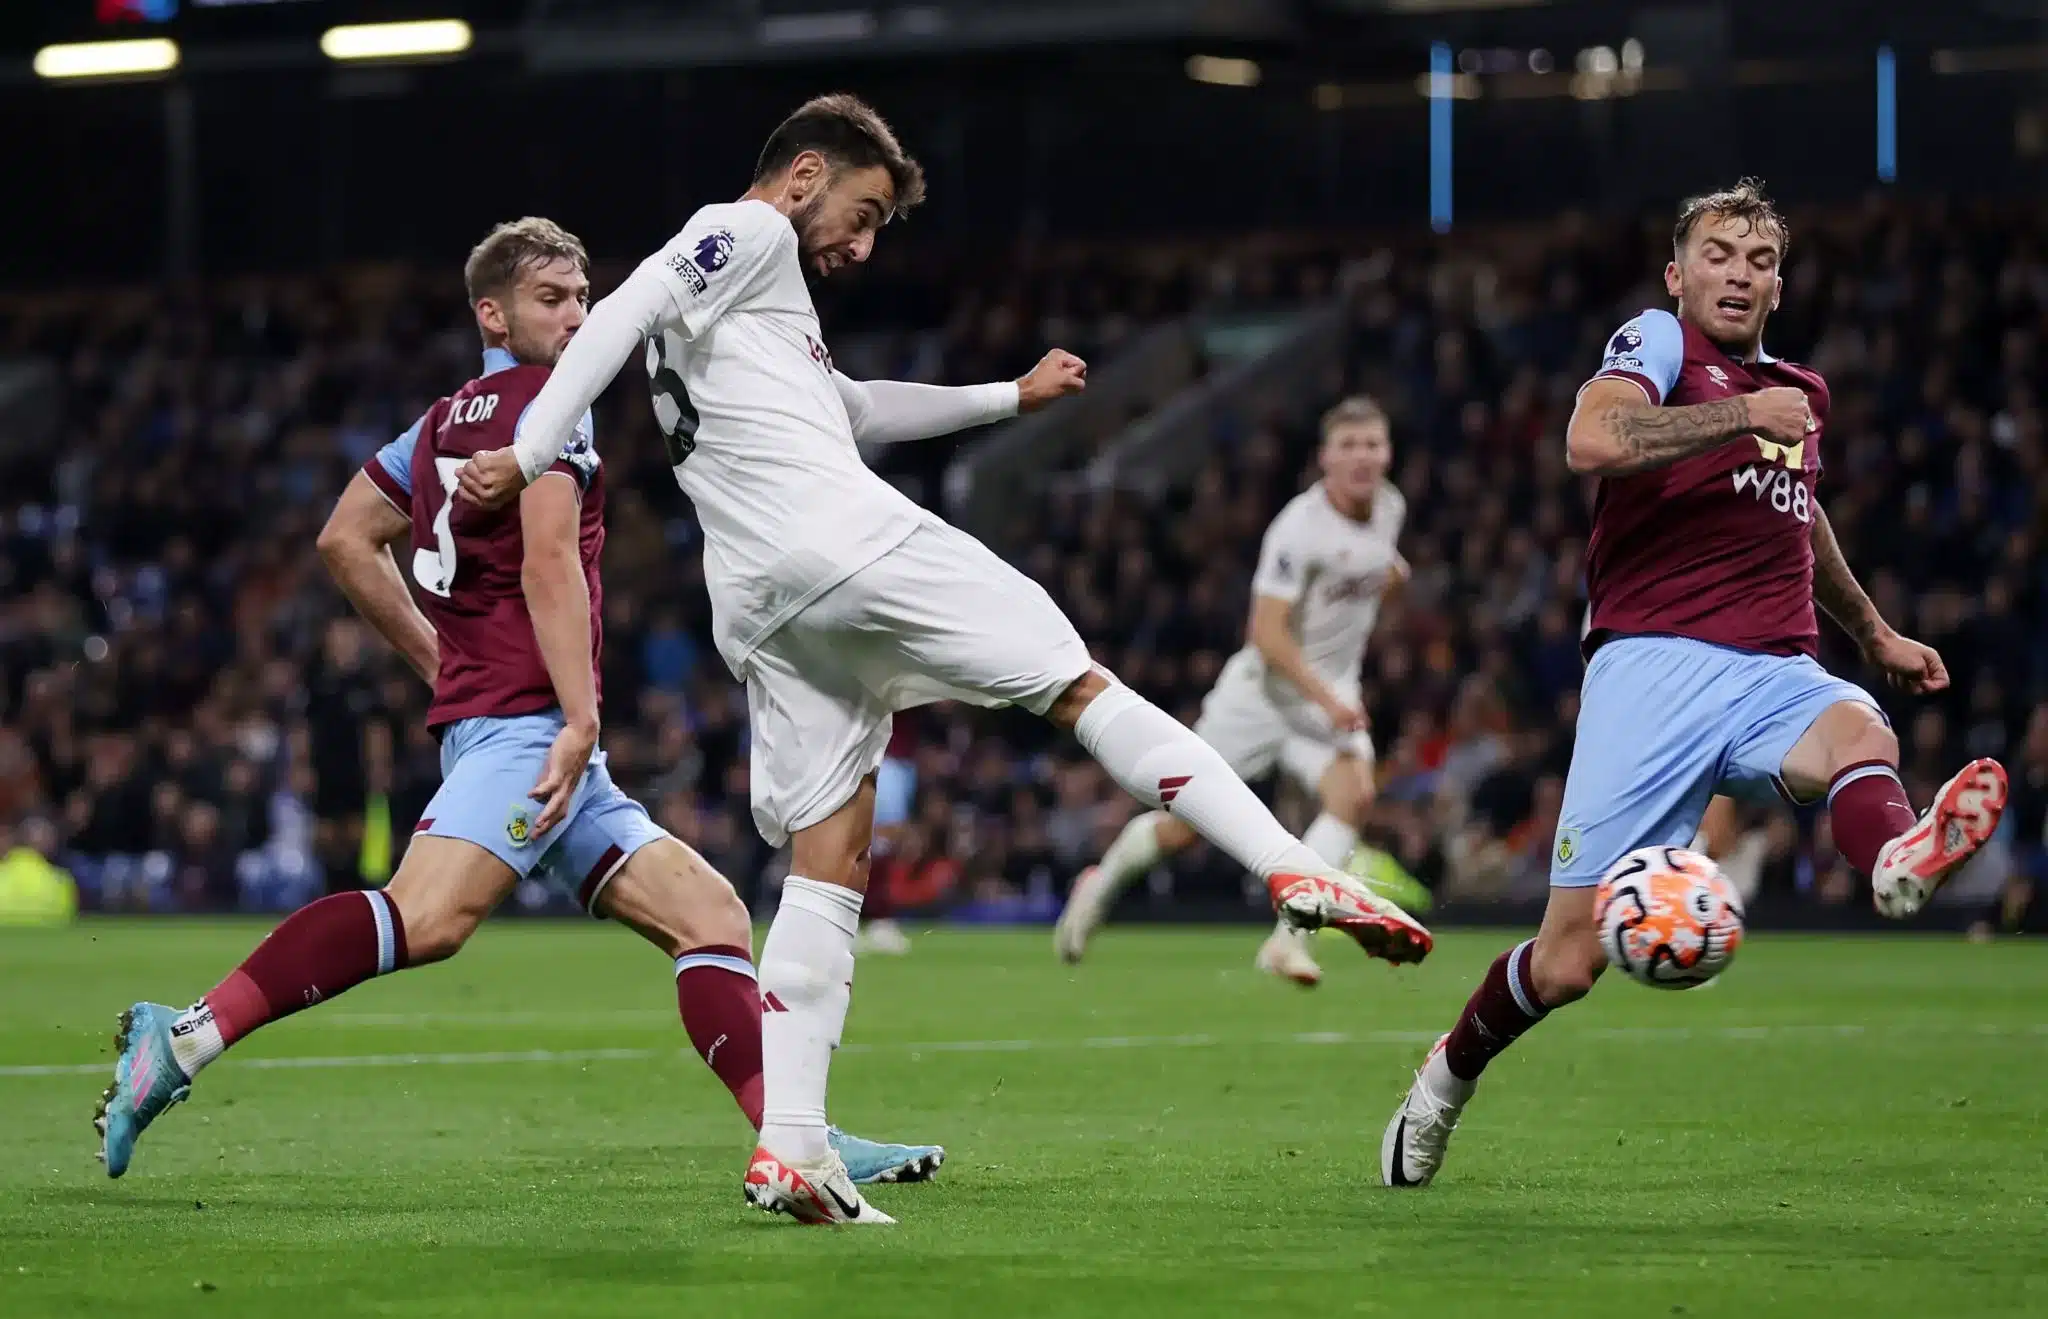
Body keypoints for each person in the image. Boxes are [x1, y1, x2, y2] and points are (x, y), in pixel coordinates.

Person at [454, 93, 1431, 1225]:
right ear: (806, 173)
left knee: (832, 851)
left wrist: (1007, 396)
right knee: (1077, 682)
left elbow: (855, 405)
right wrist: (528, 452)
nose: (862, 247)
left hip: (760, 602)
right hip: (844, 540)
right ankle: (1285, 862)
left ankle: (792, 1144)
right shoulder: (750, 230)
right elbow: (623, 306)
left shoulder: (757, 315)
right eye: (861, 215)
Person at [94, 217, 940, 1190]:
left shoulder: (443, 420)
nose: (577, 315)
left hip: (512, 723)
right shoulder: (550, 409)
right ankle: (185, 1035)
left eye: (584, 296)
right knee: (427, 916)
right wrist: (577, 718)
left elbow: (344, 536)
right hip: (534, 732)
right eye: (552, 298)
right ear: (491, 312)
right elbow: (546, 563)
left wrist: (440, 662)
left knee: (708, 915)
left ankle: (796, 1141)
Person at [1379, 179, 2009, 1189]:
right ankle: (1441, 1081)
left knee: (1860, 731)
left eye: (1758, 261)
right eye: (1717, 254)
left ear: (1777, 285)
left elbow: (1798, 516)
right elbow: (1591, 442)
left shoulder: (1795, 392)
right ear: (1678, 274)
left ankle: (1895, 853)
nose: (1738, 274)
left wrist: (1872, 627)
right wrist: (1735, 418)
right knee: (1564, 963)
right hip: (1650, 667)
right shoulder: (1660, 346)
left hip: (1772, 663)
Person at [1055, 396, 1408, 987]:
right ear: (1324, 458)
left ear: (1388, 452)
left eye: (1372, 444)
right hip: (1263, 697)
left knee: (1353, 797)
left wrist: (1391, 587)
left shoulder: (1390, 508)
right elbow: (1266, 634)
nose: (1362, 457)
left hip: (1329, 698)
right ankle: (1102, 883)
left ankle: (1287, 941)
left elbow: (1381, 570)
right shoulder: (1298, 529)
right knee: (1182, 827)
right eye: (1348, 446)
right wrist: (1329, 701)